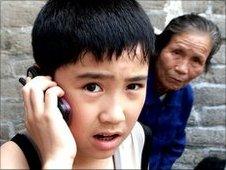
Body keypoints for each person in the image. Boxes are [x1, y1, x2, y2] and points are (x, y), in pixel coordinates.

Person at [0, 0, 155, 169]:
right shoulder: (12, 161)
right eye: (92, 87)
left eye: (133, 86)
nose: (115, 116)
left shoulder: (137, 139)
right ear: (43, 83)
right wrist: (58, 159)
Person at [138, 13, 222, 170]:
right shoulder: (132, 84)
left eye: (196, 60)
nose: (182, 69)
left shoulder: (185, 96)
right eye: (176, 52)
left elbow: (175, 144)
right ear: (159, 49)